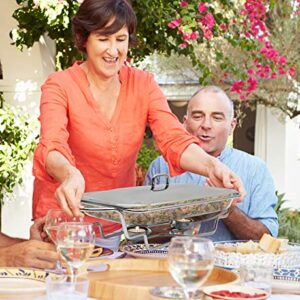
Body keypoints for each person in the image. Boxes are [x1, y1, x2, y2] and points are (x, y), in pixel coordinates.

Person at [32, 0, 245, 235]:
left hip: (116, 224)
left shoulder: (143, 84)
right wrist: (69, 173)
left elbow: (173, 138)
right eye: (103, 39)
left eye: (120, 39)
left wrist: (213, 166)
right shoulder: (59, 85)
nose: (113, 51)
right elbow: (52, 146)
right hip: (64, 222)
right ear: (84, 39)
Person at [145, 86, 278, 241]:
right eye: (197, 116)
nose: (206, 125)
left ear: (232, 126)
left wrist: (225, 207)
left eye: (217, 117)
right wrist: (185, 214)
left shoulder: (255, 169)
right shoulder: (161, 167)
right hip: (174, 263)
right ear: (185, 123)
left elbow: (266, 239)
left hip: (231, 265)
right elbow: (141, 233)